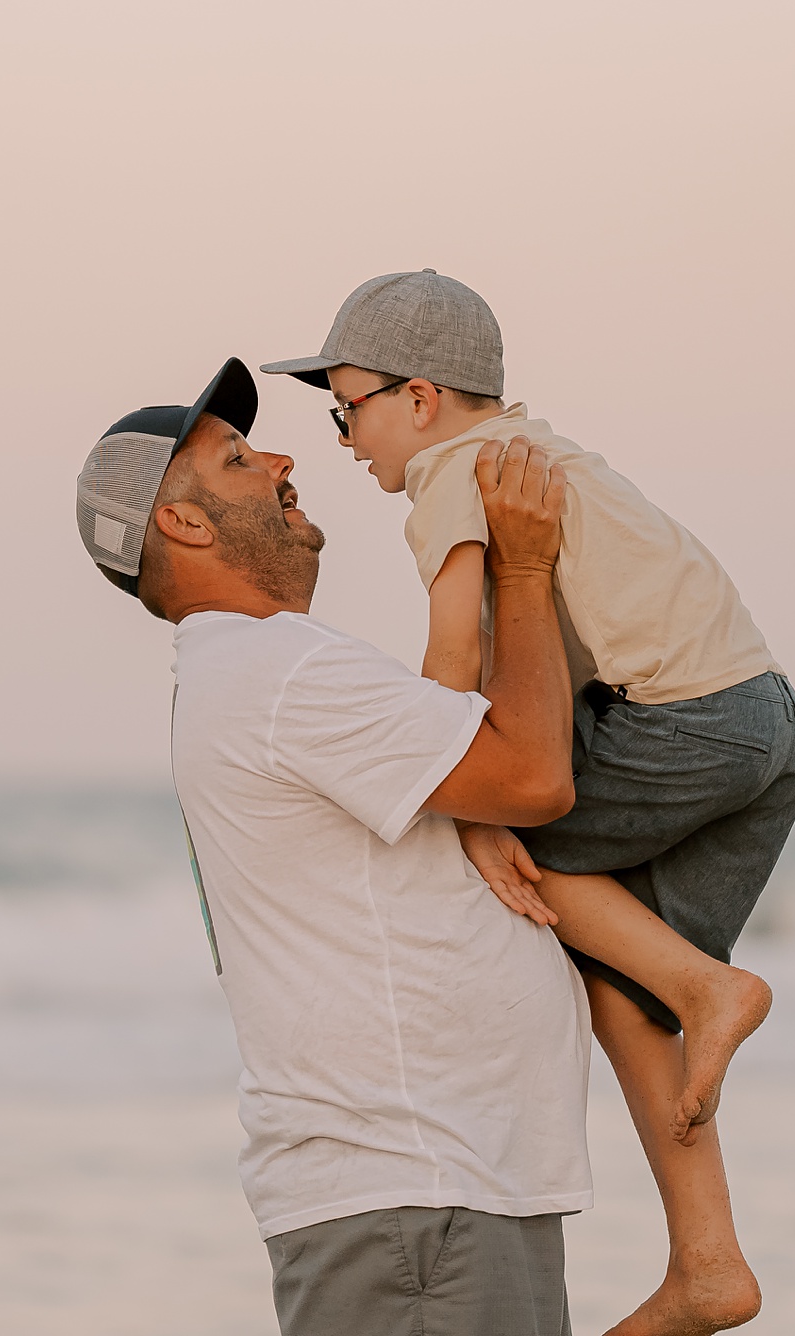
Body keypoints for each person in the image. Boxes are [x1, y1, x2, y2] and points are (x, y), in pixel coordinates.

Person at [261, 270, 795, 1335]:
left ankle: (710, 988)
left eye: (346, 408)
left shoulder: (451, 475)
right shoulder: (537, 451)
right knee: (619, 982)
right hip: (765, 725)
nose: (341, 438)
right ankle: (709, 1261)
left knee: (517, 850)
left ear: (418, 398)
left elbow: (456, 652)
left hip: (681, 721)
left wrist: (456, 798)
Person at [75, 357, 594, 1335]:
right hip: (414, 1202)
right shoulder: (275, 671)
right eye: (235, 458)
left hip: (429, 1197)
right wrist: (520, 562)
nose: (278, 456)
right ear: (181, 523)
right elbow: (530, 777)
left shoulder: (242, 677)